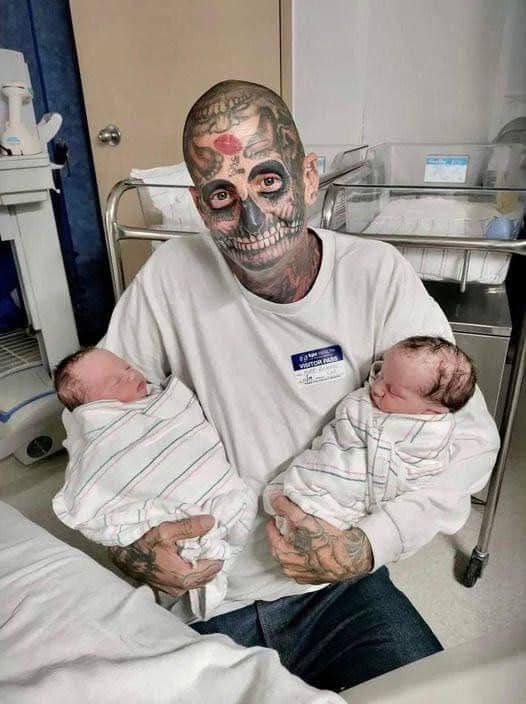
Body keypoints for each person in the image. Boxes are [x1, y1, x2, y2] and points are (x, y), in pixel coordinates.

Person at [99, 80, 499, 692]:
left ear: (309, 178)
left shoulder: (375, 276)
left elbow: (470, 439)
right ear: (199, 205)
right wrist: (128, 544)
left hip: (339, 588)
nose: (251, 218)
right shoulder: (168, 280)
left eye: (269, 181)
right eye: (222, 195)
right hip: (208, 590)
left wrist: (368, 545)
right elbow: (99, 424)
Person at [52, 347, 257, 620]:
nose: (131, 375)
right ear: (94, 409)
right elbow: (99, 475)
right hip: (211, 579)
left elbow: (186, 423)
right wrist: (136, 550)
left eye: (127, 367)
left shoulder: (163, 400)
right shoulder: (102, 433)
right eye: (116, 381)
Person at [264, 335, 476, 536]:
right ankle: (297, 497)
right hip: (329, 461)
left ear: (431, 412)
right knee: (303, 478)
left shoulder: (430, 435)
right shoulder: (382, 394)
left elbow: (418, 477)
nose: (376, 388)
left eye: (393, 391)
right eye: (381, 374)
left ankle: (312, 512)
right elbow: (342, 432)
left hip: (355, 491)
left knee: (333, 499)